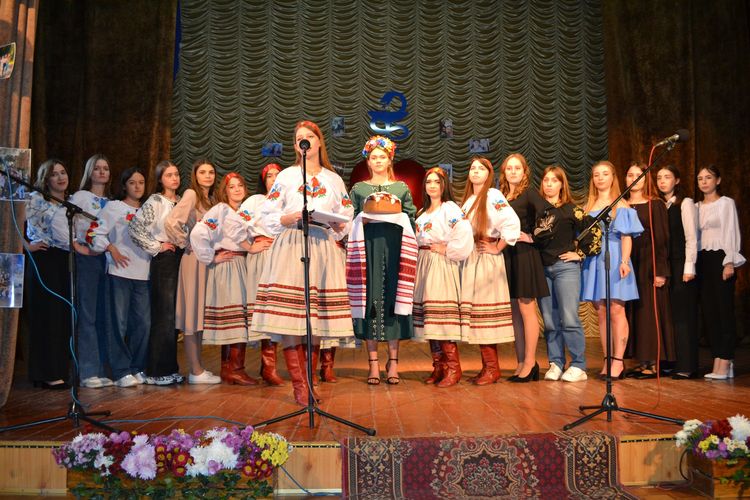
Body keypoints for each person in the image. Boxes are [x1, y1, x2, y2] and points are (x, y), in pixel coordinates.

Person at [250, 120, 354, 406]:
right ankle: (300, 386)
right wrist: (288, 217)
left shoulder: (334, 179)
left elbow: (346, 213)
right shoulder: (286, 176)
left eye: (310, 136)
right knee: (291, 316)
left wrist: (337, 225)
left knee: (314, 319)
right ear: (296, 146)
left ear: (319, 142)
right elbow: (267, 213)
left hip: (321, 245)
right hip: (293, 243)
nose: (304, 141)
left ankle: (310, 381)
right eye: (299, 139)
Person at [349, 135, 418, 385]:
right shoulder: (359, 189)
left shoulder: (401, 188)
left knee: (393, 299)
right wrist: (361, 219)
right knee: (370, 299)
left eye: (382, 157)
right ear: (368, 162)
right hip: (367, 249)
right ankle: (373, 363)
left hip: (395, 248)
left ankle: (394, 362)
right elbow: (349, 219)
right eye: (373, 157)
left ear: (390, 160)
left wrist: (400, 219)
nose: (378, 161)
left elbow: (411, 218)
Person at [191, 173, 267, 385]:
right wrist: (211, 258)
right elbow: (198, 233)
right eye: (231, 187)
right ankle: (233, 369)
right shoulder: (221, 210)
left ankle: (232, 369)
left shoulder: (242, 212)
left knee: (238, 319)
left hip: (240, 264)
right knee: (234, 318)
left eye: (240, 185)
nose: (237, 189)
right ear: (224, 191)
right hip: (229, 265)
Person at [459, 157, 520, 384]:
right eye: (472, 168)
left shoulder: (493, 195)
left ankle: (493, 368)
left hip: (486, 258)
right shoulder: (469, 201)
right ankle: (487, 366)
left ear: (489, 174)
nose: (475, 171)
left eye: (481, 168)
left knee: (485, 314)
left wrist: (497, 247)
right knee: (477, 315)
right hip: (472, 257)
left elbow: (511, 223)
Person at [580, 161, 643, 379]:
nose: (600, 178)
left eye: (605, 174)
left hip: (615, 258)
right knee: (601, 311)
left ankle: (618, 360)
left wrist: (624, 261)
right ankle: (607, 359)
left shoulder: (621, 204)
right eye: (596, 174)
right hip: (594, 261)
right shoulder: (588, 206)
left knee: (616, 309)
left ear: (613, 177)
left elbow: (626, 237)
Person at [89, 168, 151, 387]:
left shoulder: (149, 209)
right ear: (124, 185)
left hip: (144, 274)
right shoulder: (114, 207)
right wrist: (110, 247)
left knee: (143, 324)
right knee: (119, 324)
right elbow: (93, 232)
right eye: (132, 182)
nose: (137, 186)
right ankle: (120, 371)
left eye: (141, 182)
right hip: (120, 273)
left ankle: (137, 367)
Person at [412, 167, 473, 387]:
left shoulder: (449, 208)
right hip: (424, 262)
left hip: (440, 263)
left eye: (437, 182)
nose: (432, 186)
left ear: (444, 185)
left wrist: (447, 249)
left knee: (441, 316)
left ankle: (453, 369)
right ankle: (439, 367)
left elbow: (465, 233)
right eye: (428, 182)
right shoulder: (422, 212)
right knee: (430, 317)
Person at [56, 154, 112, 388]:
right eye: (97, 168)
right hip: (87, 259)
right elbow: (61, 221)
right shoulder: (80, 197)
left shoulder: (112, 202)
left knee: (103, 316)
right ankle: (88, 372)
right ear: (90, 172)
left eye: (105, 168)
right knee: (87, 315)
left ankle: (101, 370)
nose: (102, 172)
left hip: (107, 261)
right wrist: (77, 246)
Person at [165, 159, 221, 384]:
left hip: (208, 260)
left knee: (200, 317)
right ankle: (195, 371)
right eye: (202, 172)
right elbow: (171, 222)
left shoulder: (213, 200)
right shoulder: (191, 194)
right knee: (191, 316)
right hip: (194, 260)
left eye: (211, 172)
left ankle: (199, 368)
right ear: (195, 175)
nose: (207, 176)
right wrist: (185, 242)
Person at [229, 163, 285, 386]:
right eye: (270, 176)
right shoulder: (255, 201)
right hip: (261, 255)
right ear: (264, 180)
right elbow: (234, 226)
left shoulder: (288, 202)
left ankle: (269, 368)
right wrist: (250, 246)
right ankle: (239, 368)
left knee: (275, 311)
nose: (274, 178)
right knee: (257, 308)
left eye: (278, 175)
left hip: (282, 257)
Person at [129, 161, 182, 385]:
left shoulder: (182, 201)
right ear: (160, 179)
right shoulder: (155, 201)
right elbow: (135, 227)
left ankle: (170, 367)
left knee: (174, 316)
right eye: (169, 175)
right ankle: (157, 370)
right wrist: (157, 246)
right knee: (163, 315)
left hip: (181, 258)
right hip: (165, 260)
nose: (174, 178)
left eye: (176, 174)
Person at [499, 153, 551, 383]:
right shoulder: (500, 196)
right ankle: (521, 362)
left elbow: (550, 215)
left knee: (526, 307)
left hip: (524, 254)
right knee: (514, 311)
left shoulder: (529, 193)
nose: (513, 171)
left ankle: (531, 362)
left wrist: (533, 237)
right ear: (504, 172)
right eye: (509, 168)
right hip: (507, 254)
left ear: (524, 172)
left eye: (517, 168)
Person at [536, 166, 588, 382]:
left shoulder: (571, 209)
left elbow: (593, 230)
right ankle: (556, 362)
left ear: (561, 184)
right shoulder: (538, 210)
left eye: (554, 180)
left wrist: (580, 254)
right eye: (546, 180)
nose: (549, 184)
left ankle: (578, 365)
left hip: (566, 268)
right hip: (543, 269)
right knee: (549, 320)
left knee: (568, 317)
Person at [623, 162, 675, 379]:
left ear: (646, 178)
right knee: (631, 311)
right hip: (627, 262)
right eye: (630, 174)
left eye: (639, 174)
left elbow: (662, 239)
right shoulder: (622, 203)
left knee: (647, 311)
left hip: (648, 262)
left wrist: (660, 270)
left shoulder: (655, 204)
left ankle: (653, 362)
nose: (634, 178)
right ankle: (639, 360)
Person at [25, 159, 73, 389]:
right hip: (43, 260)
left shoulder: (70, 203)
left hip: (64, 260)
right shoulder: (35, 199)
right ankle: (45, 372)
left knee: (62, 317)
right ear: (46, 179)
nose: (60, 177)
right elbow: (8, 220)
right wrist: (26, 245)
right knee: (47, 316)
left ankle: (59, 370)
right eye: (54, 174)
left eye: (63, 172)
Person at [695, 165, 744, 380]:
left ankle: (726, 359)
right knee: (710, 312)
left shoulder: (726, 203)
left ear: (718, 180)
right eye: (700, 178)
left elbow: (731, 231)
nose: (704, 182)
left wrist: (729, 262)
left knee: (724, 311)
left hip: (721, 259)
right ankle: (719, 358)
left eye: (708, 177)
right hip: (703, 260)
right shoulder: (696, 206)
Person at [656, 165, 700, 379]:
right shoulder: (659, 205)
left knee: (684, 316)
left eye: (667, 177)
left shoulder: (685, 203)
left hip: (682, 264)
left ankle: (687, 365)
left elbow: (691, 237)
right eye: (659, 178)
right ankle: (670, 362)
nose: (662, 181)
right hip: (666, 266)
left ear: (677, 180)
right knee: (669, 316)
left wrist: (689, 267)